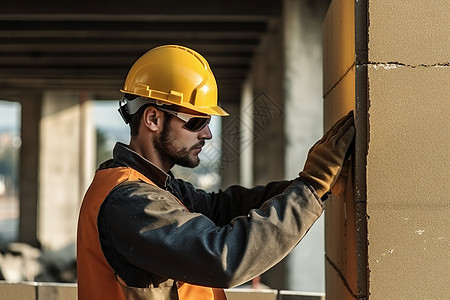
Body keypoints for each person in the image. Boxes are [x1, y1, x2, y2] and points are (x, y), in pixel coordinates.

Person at [77, 44, 355, 300]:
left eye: (208, 121)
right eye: (196, 121)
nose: (208, 134)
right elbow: (223, 258)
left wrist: (313, 185)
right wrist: (310, 188)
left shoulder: (158, 187)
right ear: (153, 118)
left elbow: (223, 208)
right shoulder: (129, 202)